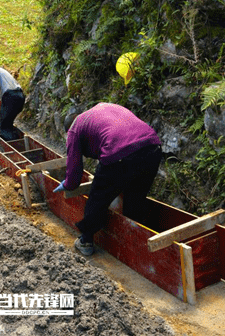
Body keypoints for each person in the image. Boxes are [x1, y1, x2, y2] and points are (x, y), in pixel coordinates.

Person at [54, 102, 162, 256]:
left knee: (98, 197)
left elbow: (74, 170)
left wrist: (68, 184)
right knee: (135, 200)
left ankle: (86, 241)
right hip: (152, 148)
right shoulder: (101, 109)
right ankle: (138, 243)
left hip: (120, 153)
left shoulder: (74, 129)